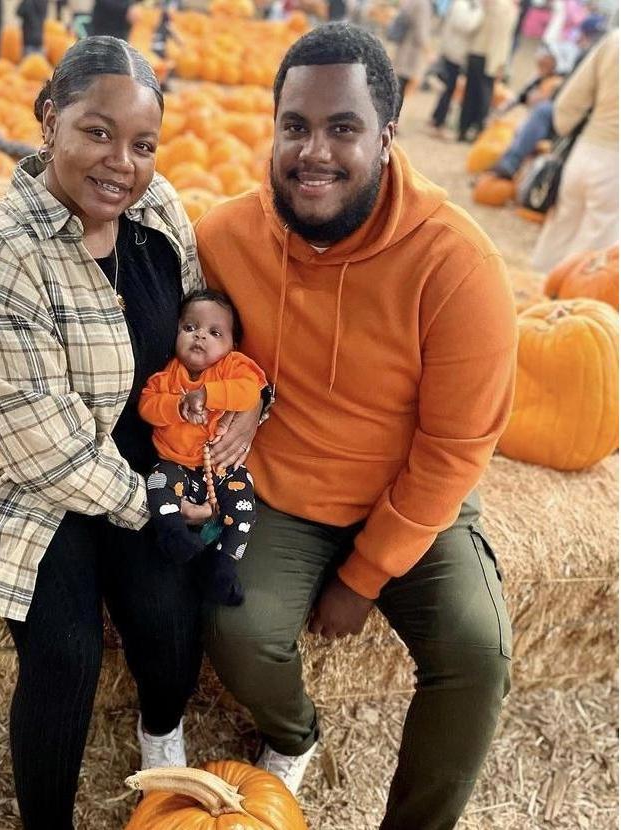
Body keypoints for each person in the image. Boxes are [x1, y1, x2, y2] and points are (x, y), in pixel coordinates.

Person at [196, 22, 516, 829]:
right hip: (285, 491)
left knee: (477, 655)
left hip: (411, 493)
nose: (315, 152)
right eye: (295, 126)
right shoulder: (224, 239)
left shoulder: (458, 264)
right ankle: (295, 733)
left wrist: (364, 576)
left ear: (386, 137)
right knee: (238, 628)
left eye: (343, 128)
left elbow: (455, 447)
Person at [0, 35, 243, 829]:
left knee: (169, 618)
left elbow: (198, 330)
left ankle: (160, 736)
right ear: (48, 121)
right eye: (97, 133)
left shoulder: (158, 209)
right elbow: (50, 451)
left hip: (143, 456)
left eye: (142, 144)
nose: (122, 164)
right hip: (32, 477)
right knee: (65, 648)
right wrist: (159, 509)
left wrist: (243, 402)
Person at [139, 289, 267, 607]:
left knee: (244, 504)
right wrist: (177, 405)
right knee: (157, 483)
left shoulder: (233, 367)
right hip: (175, 466)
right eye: (190, 327)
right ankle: (173, 536)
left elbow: (249, 392)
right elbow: (147, 406)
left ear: (232, 345)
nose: (200, 336)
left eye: (215, 332)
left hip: (221, 469)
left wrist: (207, 394)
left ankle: (224, 565)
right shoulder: (167, 376)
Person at [531, 29, 618, 271]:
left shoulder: (615, 40)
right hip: (614, 161)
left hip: (585, 148)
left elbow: (572, 97)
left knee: (560, 224)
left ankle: (535, 284)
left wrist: (564, 126)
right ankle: (570, 291)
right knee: (593, 250)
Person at [488, 14, 606, 180]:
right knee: (543, 111)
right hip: (583, 116)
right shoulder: (587, 55)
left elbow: (570, 93)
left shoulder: (589, 56)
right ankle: (514, 163)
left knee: (543, 111)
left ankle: (511, 163)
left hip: (587, 120)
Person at [457, 0, 517, 141]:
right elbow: (502, 39)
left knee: (472, 94)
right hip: (489, 57)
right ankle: (476, 129)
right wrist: (500, 63)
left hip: (478, 52)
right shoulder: (507, 8)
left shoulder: (493, 5)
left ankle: (465, 128)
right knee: (483, 96)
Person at [429, 0, 483, 136]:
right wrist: (480, 12)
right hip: (454, 52)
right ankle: (438, 122)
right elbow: (467, 26)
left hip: (454, 51)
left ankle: (437, 117)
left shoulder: (464, 5)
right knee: (448, 89)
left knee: (448, 88)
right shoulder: (463, 5)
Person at [391, 0, 432, 115]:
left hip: (403, 47)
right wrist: (428, 51)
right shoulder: (423, 4)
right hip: (412, 52)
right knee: (402, 87)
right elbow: (421, 32)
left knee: (399, 85)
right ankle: (394, 118)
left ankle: (391, 116)